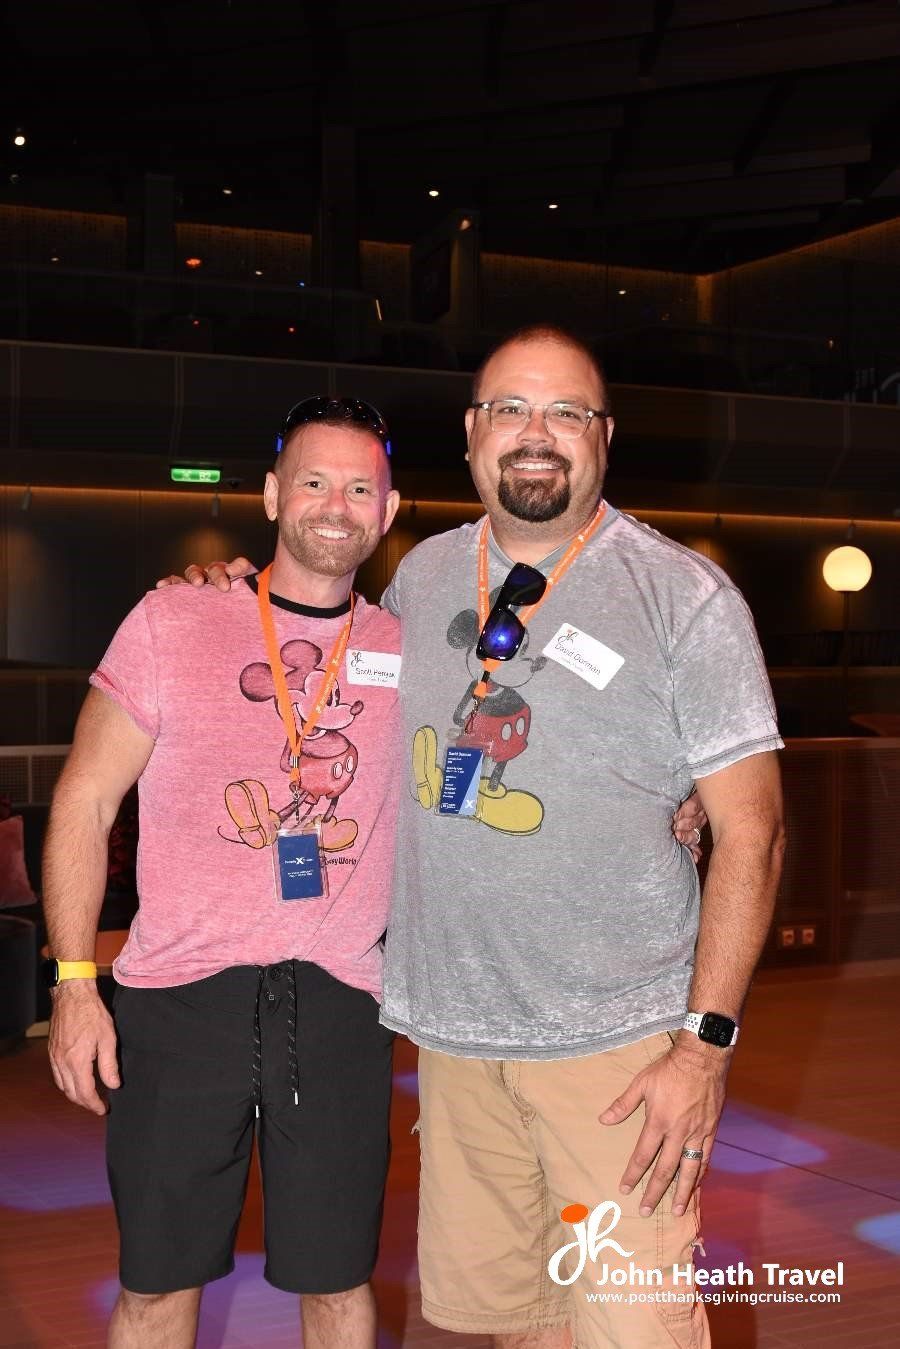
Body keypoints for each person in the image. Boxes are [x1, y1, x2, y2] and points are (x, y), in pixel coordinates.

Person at [170, 324, 780, 1349]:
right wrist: (222, 596)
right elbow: (310, 658)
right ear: (471, 433)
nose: (537, 435)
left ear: (604, 437)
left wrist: (704, 1049)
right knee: (517, 1323)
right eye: (511, 409)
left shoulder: (684, 596)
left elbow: (752, 835)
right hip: (456, 1040)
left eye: (566, 413)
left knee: (635, 1326)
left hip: (620, 1049)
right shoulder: (420, 577)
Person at [43, 396, 403, 1349]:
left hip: (338, 1006)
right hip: (177, 999)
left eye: (360, 486)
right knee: (157, 1286)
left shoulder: (412, 650)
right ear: (275, 494)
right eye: (316, 480)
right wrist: (76, 983)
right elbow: (84, 802)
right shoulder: (175, 617)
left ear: (390, 509)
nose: (337, 503)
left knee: (337, 1284)